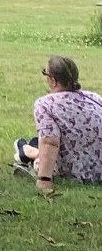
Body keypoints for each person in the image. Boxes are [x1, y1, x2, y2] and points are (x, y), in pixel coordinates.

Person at [16, 54, 102, 193]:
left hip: (72, 173)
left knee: (42, 149)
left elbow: (50, 142)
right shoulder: (95, 98)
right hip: (98, 170)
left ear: (53, 81)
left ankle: (29, 152)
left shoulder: (45, 104)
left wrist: (44, 179)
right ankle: (29, 149)